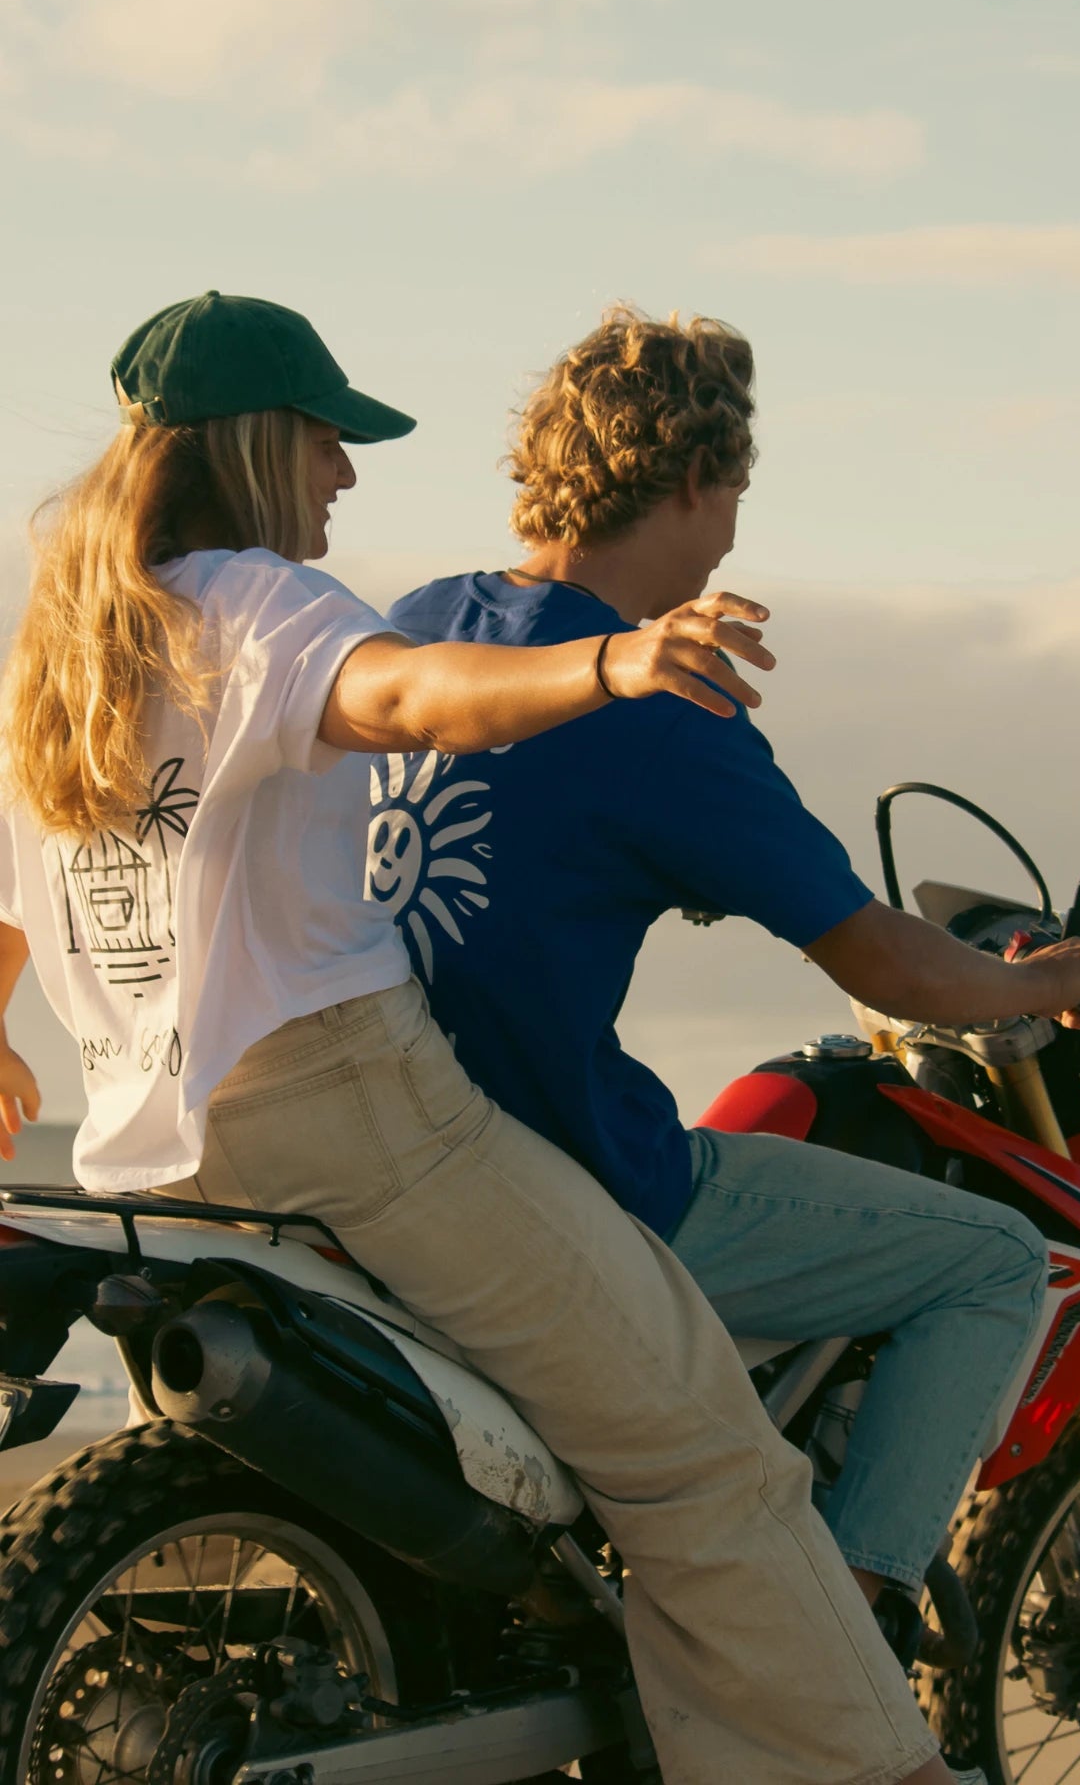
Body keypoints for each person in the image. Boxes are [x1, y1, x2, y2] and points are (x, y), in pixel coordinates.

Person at [0, 290, 967, 1785]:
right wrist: (611, 666)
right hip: (367, 1126)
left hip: (171, 1150)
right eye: (330, 439)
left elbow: (29, 879)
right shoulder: (261, 606)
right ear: (262, 442)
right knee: (707, 1465)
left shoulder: (79, 646)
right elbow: (403, 695)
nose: (347, 474)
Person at [378, 306, 1080, 1639]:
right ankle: (835, 1644)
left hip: (398, 1152)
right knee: (997, 1262)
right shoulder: (659, 708)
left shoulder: (430, 625)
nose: (733, 531)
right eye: (736, 492)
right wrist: (1042, 982)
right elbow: (885, 962)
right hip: (570, 1177)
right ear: (690, 481)